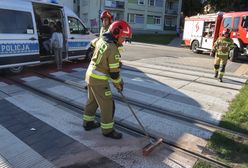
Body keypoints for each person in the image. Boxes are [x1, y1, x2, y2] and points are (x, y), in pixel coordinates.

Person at [83, 20, 132, 139]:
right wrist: (119, 84)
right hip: (98, 79)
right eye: (123, 37)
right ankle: (107, 130)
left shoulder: (101, 39)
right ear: (116, 34)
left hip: (89, 75)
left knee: (92, 101)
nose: (124, 40)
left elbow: (92, 44)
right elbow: (114, 74)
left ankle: (88, 123)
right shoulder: (113, 49)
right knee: (107, 104)